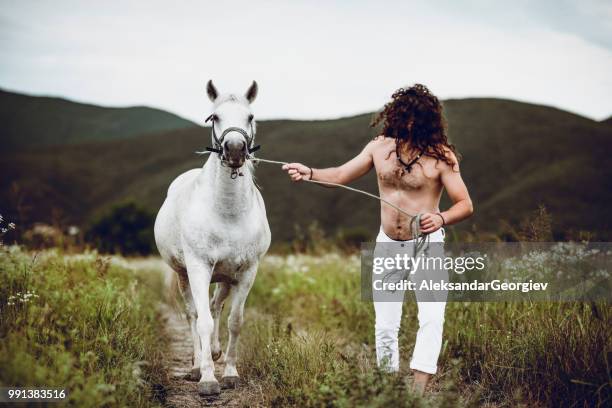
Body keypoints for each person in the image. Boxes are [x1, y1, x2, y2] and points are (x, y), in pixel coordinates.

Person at [282, 84, 473, 393]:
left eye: (412, 117)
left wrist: (439, 217)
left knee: (431, 318)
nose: (405, 123)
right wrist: (310, 172)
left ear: (425, 119)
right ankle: (387, 389)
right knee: (385, 324)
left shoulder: (442, 158)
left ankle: (417, 392)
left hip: (426, 246)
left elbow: (465, 204)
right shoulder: (379, 147)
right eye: (401, 116)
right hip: (387, 244)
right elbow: (341, 175)